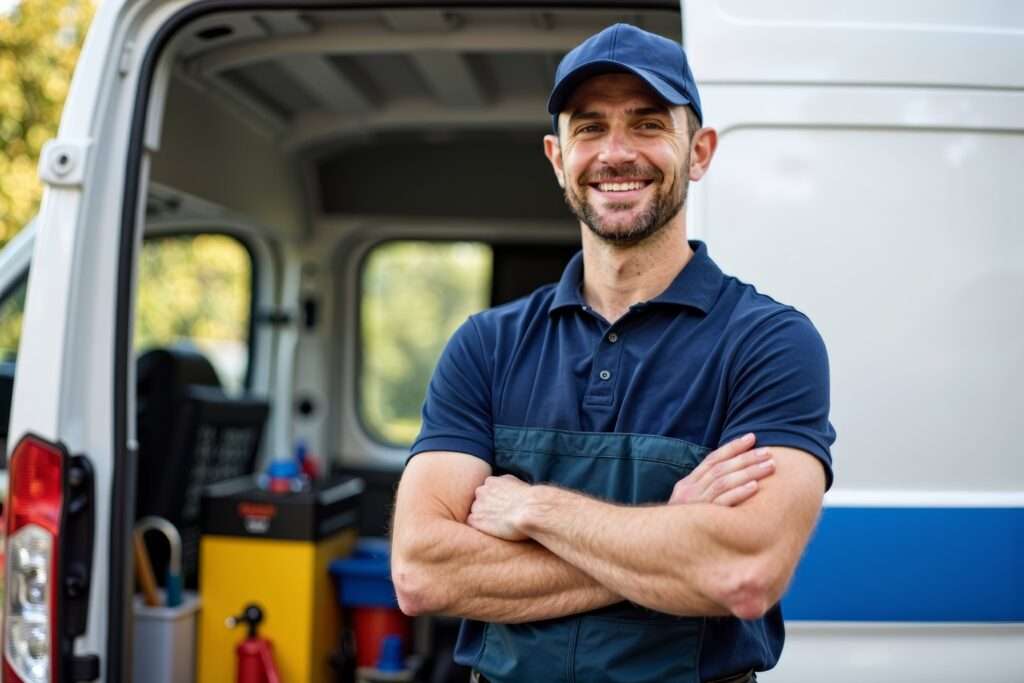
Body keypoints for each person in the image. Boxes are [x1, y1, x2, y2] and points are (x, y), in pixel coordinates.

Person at [391, 23, 836, 683]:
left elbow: (741, 572)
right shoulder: (485, 345)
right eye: (590, 128)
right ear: (556, 156)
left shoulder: (769, 343)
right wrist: (672, 534)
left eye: (649, 124)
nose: (617, 152)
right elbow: (422, 572)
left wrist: (536, 509)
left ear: (700, 150)